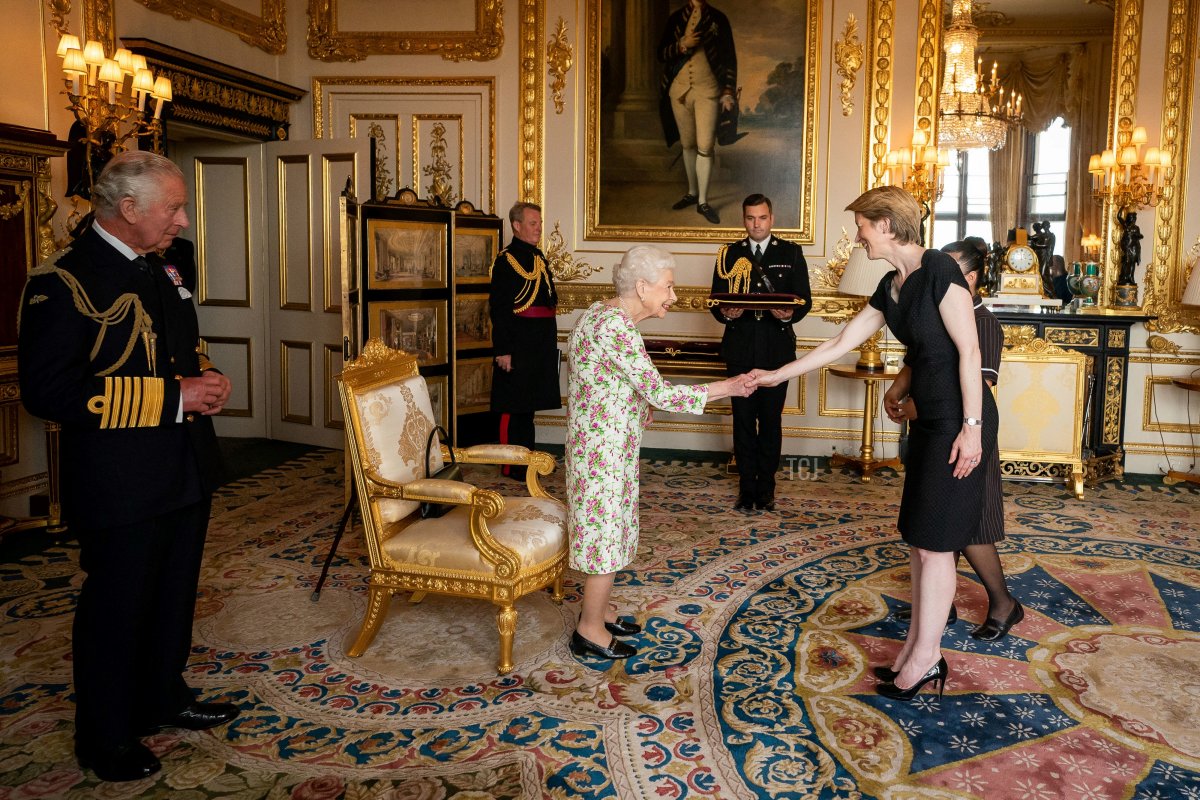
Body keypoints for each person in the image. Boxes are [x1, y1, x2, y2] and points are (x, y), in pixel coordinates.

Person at [17, 151, 239, 782]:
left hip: (184, 464)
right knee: (117, 605)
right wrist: (175, 396)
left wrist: (206, 379)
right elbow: (48, 391)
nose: (184, 219)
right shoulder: (62, 281)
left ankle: (162, 697)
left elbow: (176, 347)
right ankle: (105, 734)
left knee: (173, 593)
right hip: (119, 479)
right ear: (128, 208)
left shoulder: (163, 268)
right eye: (173, 207)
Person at [748, 186, 990, 702]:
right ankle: (919, 650)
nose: (856, 237)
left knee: (937, 543)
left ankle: (926, 658)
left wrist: (973, 427)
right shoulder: (892, 283)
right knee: (920, 540)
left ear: (885, 224)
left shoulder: (941, 273)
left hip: (954, 420)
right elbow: (840, 342)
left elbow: (970, 352)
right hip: (927, 421)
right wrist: (775, 375)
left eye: (861, 226)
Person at [566, 245, 753, 660]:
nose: (673, 297)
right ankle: (589, 628)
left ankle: (600, 608)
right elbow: (660, 393)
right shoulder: (614, 327)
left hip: (602, 446)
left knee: (612, 528)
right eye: (668, 287)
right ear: (642, 286)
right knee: (605, 538)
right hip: (603, 453)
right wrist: (729, 386)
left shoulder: (603, 314)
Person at [883, 237, 1023, 642]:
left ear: (972, 278)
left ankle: (1003, 604)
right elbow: (919, 357)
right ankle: (937, 607)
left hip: (968, 431)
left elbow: (975, 385)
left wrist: (916, 407)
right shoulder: (936, 303)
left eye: (948, 272)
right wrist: (897, 390)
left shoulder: (984, 323)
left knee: (973, 527)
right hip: (934, 428)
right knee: (934, 527)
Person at [711, 194, 811, 511]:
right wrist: (729, 314)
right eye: (751, 218)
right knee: (742, 421)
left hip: (776, 350)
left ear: (772, 218)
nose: (757, 224)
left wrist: (789, 315)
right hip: (740, 348)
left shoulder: (791, 253)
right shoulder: (728, 254)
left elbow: (804, 300)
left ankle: (766, 488)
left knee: (770, 421)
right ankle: (746, 488)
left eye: (762, 218)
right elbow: (716, 302)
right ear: (744, 219)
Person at [489, 201, 561, 480]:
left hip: (538, 344)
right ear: (516, 226)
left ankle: (527, 461)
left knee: (527, 407)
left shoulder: (538, 257)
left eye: (540, 223)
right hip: (516, 345)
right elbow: (500, 309)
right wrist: (503, 350)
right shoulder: (506, 261)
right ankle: (511, 464)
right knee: (513, 406)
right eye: (533, 223)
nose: (538, 228)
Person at [657, 0, 737, 225]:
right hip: (679, 91)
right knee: (688, 144)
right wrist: (682, 44)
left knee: (705, 146)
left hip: (708, 90)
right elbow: (661, 54)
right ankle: (692, 192)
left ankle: (703, 201)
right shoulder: (675, 19)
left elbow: (729, 57)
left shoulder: (719, 19)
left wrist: (728, 89)